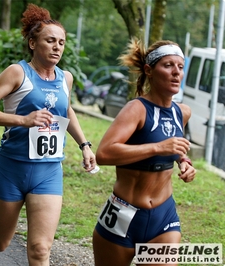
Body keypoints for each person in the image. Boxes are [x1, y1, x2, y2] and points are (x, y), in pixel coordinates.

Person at [0, 4, 96, 266]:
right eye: (50, 40)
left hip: (48, 171)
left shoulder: (66, 78)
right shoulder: (17, 72)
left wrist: (84, 144)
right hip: (11, 169)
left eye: (61, 42)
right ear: (32, 43)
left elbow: (66, 110)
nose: (57, 47)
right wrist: (23, 120)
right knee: (0, 242)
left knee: (40, 249)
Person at [92, 38, 197, 266]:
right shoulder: (136, 109)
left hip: (163, 217)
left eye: (180, 67)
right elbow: (104, 153)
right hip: (123, 214)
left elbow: (174, 143)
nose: (176, 73)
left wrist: (184, 161)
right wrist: (158, 148)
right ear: (149, 70)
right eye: (168, 65)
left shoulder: (183, 113)